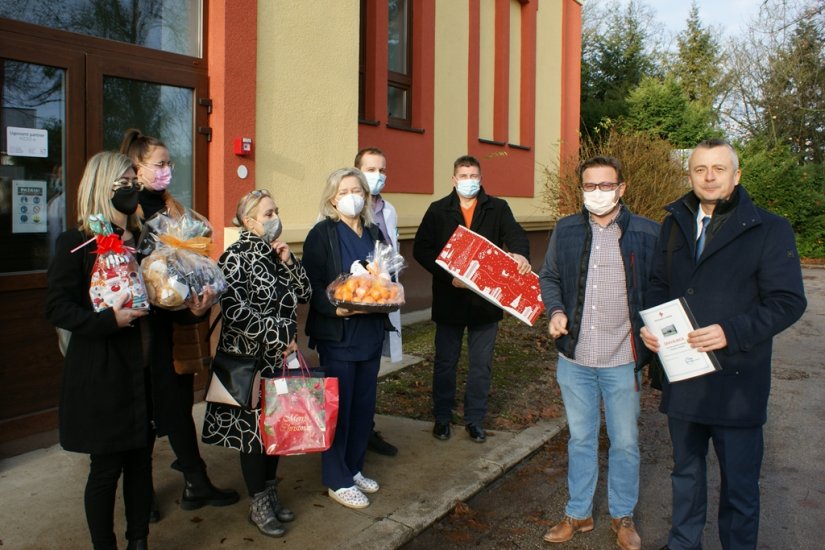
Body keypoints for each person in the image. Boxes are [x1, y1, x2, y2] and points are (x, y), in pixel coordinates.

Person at [640, 139, 807, 550]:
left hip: (737, 382)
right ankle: (683, 543)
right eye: (700, 169)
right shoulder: (674, 222)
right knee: (686, 474)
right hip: (685, 378)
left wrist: (732, 331)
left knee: (740, 486)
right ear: (691, 175)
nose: (709, 176)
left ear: (737, 175)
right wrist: (652, 327)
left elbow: (788, 302)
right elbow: (659, 284)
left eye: (718, 168)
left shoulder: (769, 228)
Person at [538, 156, 659, 550]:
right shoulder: (567, 229)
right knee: (581, 439)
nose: (597, 193)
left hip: (622, 360)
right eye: (590, 187)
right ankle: (579, 513)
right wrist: (555, 311)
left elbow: (659, 290)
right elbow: (551, 276)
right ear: (582, 190)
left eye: (606, 186)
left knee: (624, 441)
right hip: (575, 359)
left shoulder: (646, 233)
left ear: (621, 188)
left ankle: (623, 516)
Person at [120, 129, 239, 520]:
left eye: (170, 163)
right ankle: (142, 492)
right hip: (140, 331)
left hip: (176, 327)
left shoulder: (176, 211)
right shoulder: (128, 211)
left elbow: (190, 262)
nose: (167, 170)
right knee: (147, 412)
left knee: (176, 404)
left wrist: (198, 300)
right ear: (137, 168)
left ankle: (195, 481)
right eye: (160, 164)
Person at [45, 151, 152, 550]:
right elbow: (57, 307)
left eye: (134, 181)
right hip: (102, 372)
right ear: (100, 187)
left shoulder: (142, 240)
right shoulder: (78, 244)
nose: (133, 189)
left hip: (141, 371)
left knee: (141, 465)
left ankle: (139, 540)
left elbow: (157, 296)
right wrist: (109, 321)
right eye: (123, 183)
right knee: (106, 468)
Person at [201, 189, 311, 537]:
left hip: (280, 359)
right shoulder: (234, 258)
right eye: (267, 213)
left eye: (276, 211)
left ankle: (271, 492)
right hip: (250, 362)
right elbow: (234, 312)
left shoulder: (276, 254)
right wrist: (278, 332)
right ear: (248, 221)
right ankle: (258, 502)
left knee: (276, 428)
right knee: (252, 435)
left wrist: (290, 263)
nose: (274, 217)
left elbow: (306, 294)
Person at [413, 154, 531, 443]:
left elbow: (516, 235)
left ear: (481, 178)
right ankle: (442, 417)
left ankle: (474, 419)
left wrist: (520, 253)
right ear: (454, 180)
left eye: (473, 176)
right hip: (449, 298)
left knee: (481, 365)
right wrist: (447, 275)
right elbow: (421, 248)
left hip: (485, 302)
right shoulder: (438, 210)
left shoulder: (497, 208)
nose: (469, 181)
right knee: (445, 362)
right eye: (464, 176)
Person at [303, 167, 389, 509]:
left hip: (369, 332)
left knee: (362, 407)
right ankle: (336, 479)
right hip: (339, 334)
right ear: (332, 199)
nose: (351, 197)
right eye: (344, 192)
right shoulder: (322, 234)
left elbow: (385, 275)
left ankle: (353, 468)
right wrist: (333, 309)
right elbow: (310, 284)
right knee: (338, 407)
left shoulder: (373, 232)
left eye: (357, 190)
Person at [354, 146, 400, 457]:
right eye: (371, 169)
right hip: (356, 303)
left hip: (384, 300)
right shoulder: (347, 208)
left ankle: (366, 430)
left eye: (382, 170)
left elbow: (393, 256)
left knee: (372, 375)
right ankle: (354, 435)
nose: (378, 175)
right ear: (357, 171)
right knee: (353, 377)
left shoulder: (390, 210)